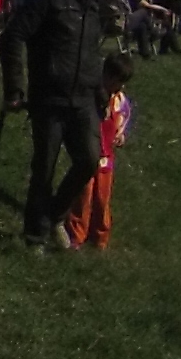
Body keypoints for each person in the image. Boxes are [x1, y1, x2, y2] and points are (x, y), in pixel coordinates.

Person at [0, 0, 114, 251]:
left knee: (89, 160)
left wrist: (100, 92)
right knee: (44, 170)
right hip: (49, 97)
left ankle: (53, 216)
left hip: (84, 99)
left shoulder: (92, 0)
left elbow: (91, 51)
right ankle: (34, 236)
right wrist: (14, 88)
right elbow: (12, 37)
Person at [63, 52, 135, 252]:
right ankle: (77, 234)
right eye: (116, 81)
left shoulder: (119, 100)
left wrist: (121, 133)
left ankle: (100, 236)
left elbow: (125, 116)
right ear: (106, 76)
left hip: (106, 158)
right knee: (83, 196)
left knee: (102, 199)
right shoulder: (92, 97)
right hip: (88, 152)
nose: (119, 87)